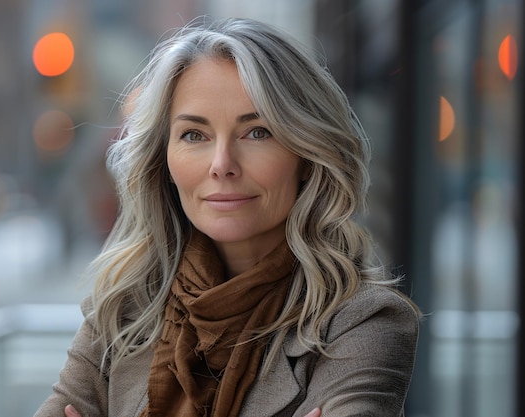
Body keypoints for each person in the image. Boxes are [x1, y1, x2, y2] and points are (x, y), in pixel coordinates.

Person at [34, 17, 420, 417]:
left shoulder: (364, 322)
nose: (222, 165)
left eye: (257, 132)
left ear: (307, 155)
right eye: (194, 135)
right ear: (163, 161)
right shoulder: (123, 307)